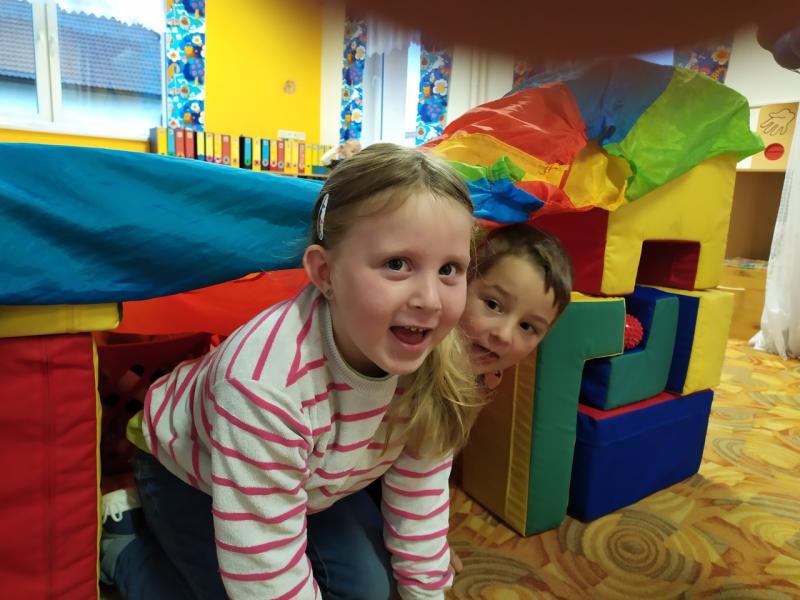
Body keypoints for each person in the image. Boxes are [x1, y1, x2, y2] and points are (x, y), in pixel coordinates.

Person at [100, 142, 483, 599]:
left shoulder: (433, 358)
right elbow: (263, 578)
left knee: (368, 589)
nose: (430, 300)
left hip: (304, 480)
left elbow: (420, 498)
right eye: (397, 264)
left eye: (449, 269)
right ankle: (125, 546)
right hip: (187, 472)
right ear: (325, 274)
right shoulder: (265, 384)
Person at [462, 222, 575, 390]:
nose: (504, 335)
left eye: (526, 326)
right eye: (493, 305)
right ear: (463, 281)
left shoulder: (486, 379)